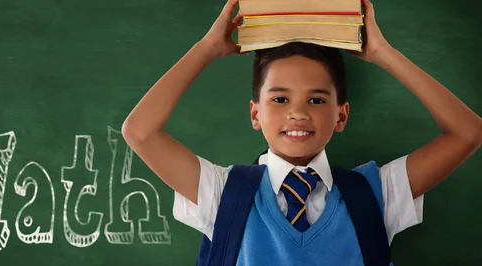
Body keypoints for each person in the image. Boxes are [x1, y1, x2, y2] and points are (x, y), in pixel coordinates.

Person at [121, 0, 482, 264]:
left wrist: (382, 54)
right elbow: (140, 132)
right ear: (255, 113)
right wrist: (207, 49)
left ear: (341, 116)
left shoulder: (375, 195)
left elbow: (467, 133)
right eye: (279, 99)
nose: (297, 112)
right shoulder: (222, 194)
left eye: (316, 100)